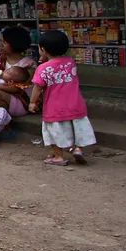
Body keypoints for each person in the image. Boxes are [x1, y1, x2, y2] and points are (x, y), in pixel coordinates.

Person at [30, 30, 96, 166]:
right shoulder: (70, 62)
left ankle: (58, 156)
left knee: (54, 132)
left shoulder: (42, 68)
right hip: (75, 104)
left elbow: (38, 87)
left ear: (42, 49)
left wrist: (32, 102)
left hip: (55, 108)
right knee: (78, 128)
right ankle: (78, 149)